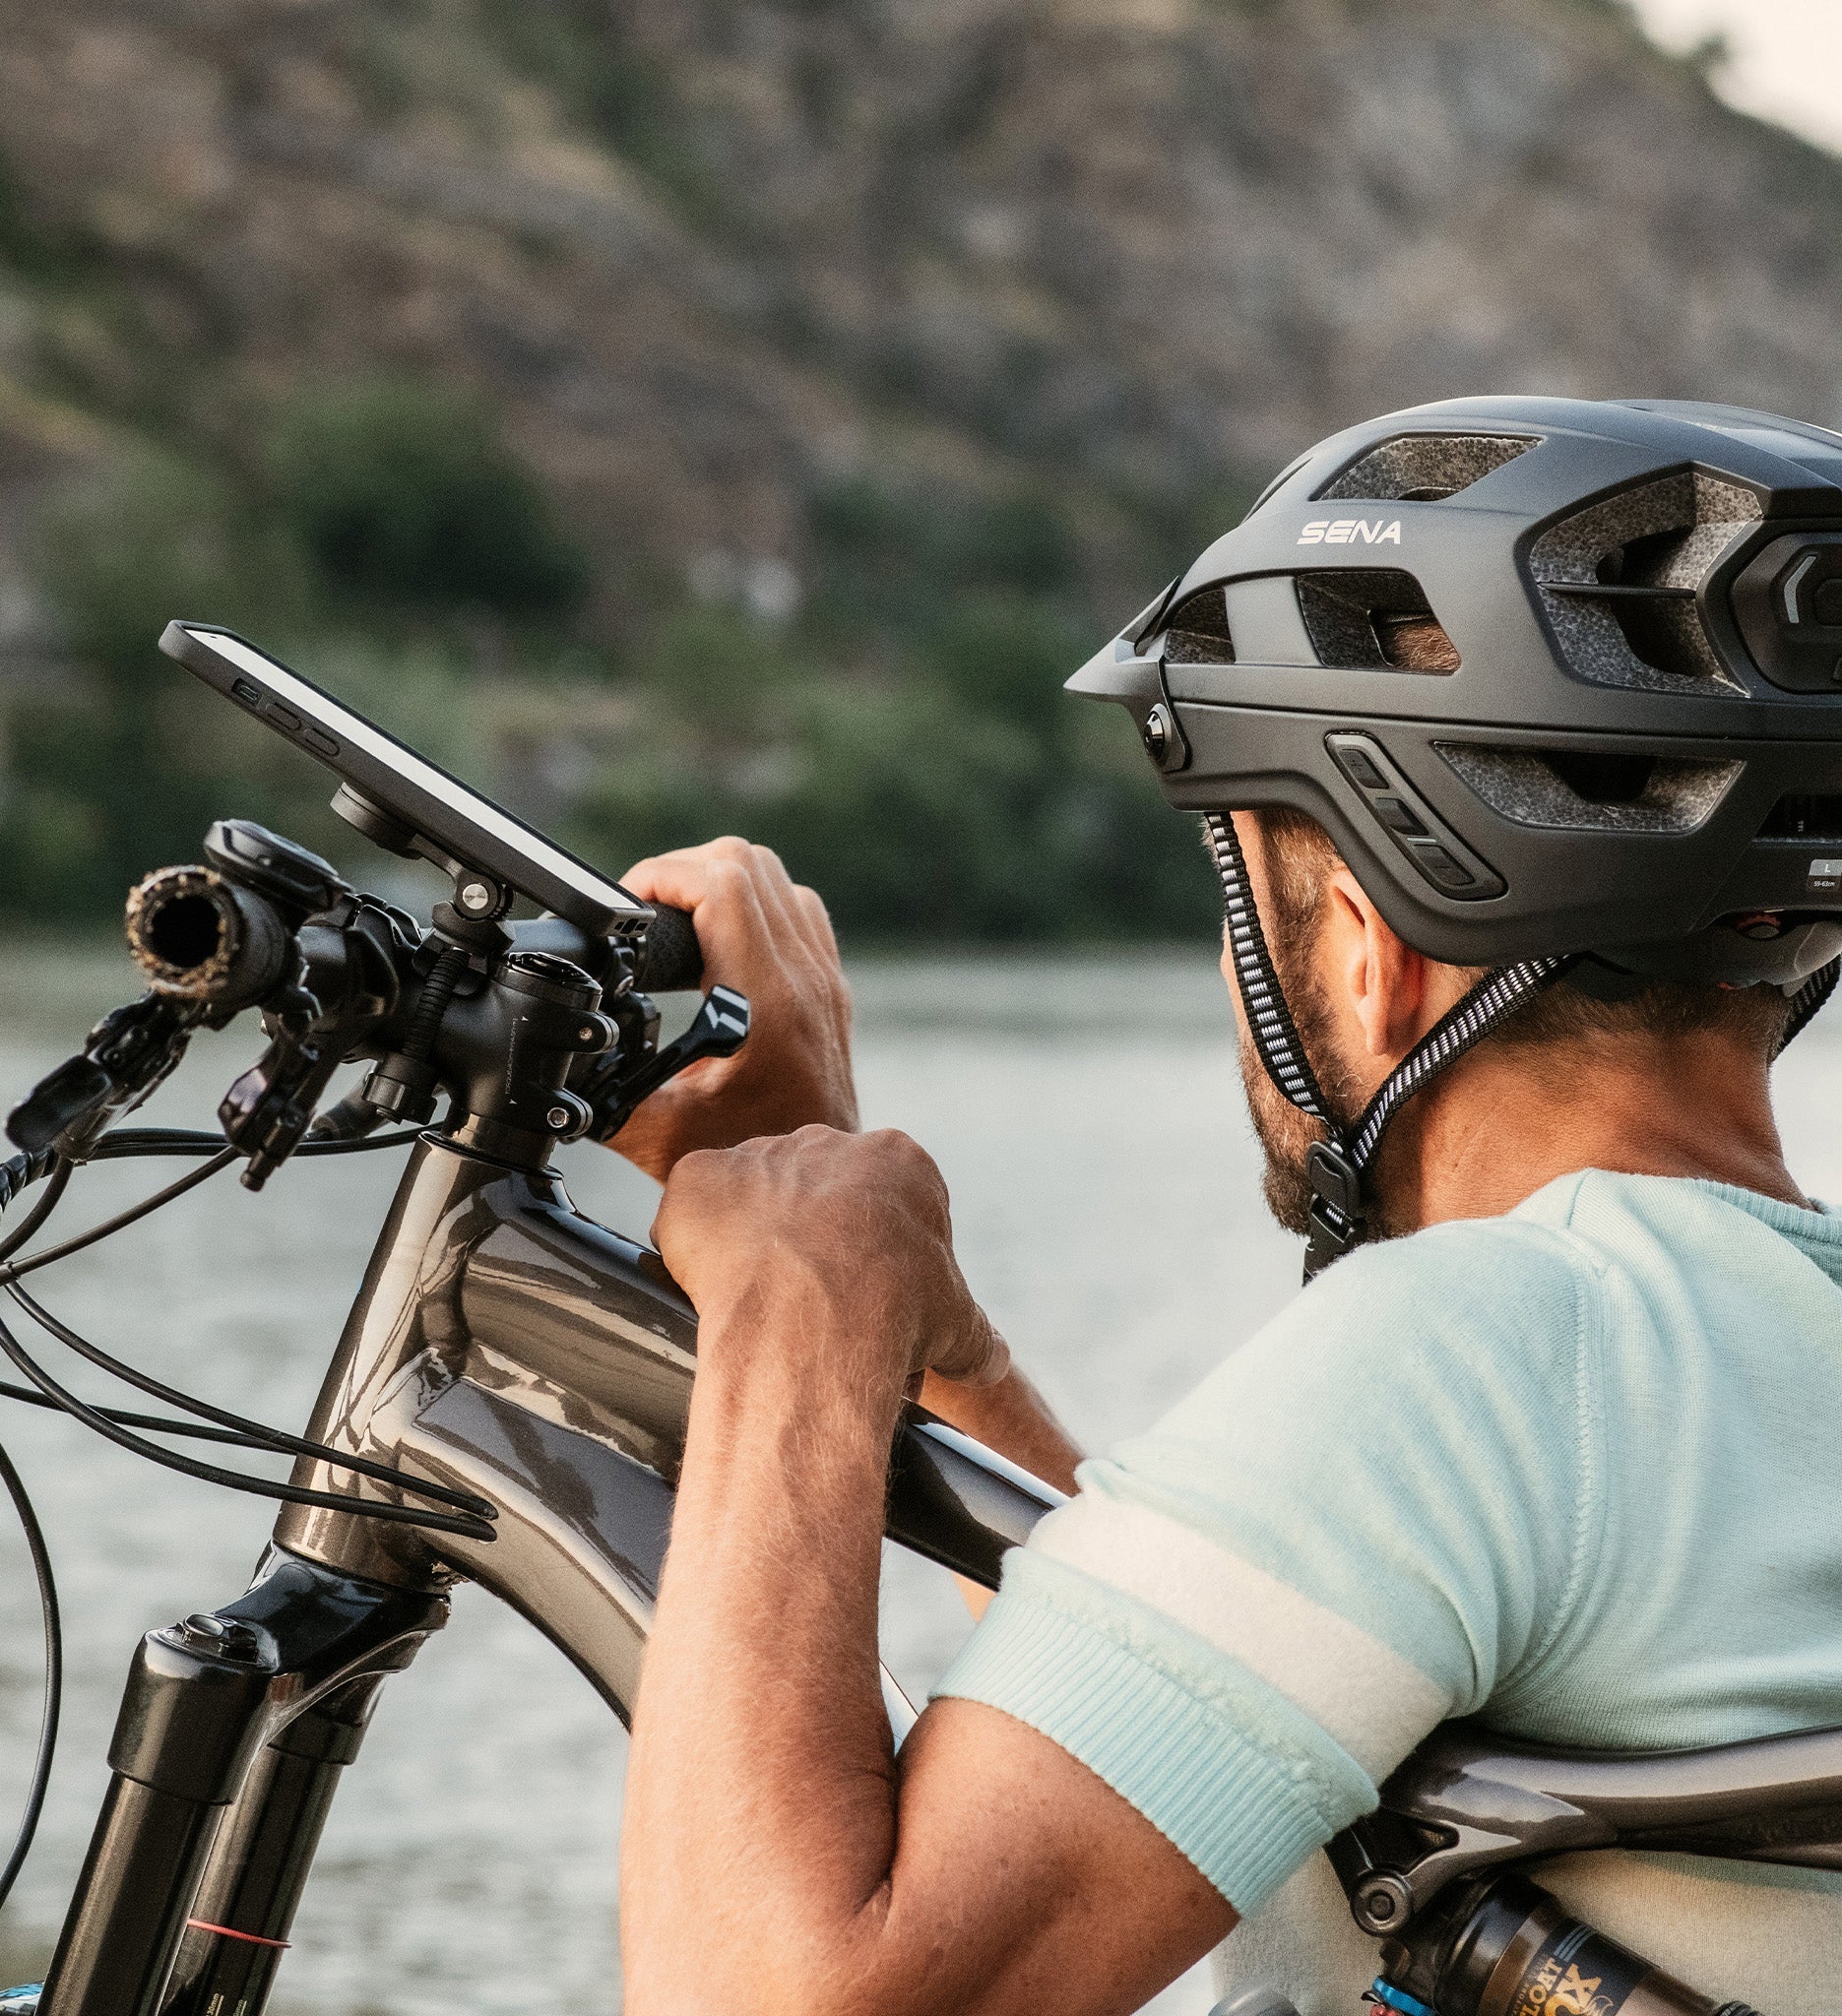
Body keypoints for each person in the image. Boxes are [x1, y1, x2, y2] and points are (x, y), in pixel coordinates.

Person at [610, 398, 1842, 2016]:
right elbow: (1212, 1711)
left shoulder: (1501, 1350)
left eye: (1245, 880)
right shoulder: (1729, 1365)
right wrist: (935, 1345)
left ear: (1358, 943)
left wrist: (790, 1311)